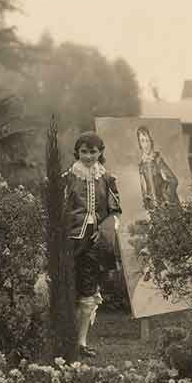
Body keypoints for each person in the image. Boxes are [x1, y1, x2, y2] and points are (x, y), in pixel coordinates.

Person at [64, 131, 122, 358]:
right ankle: (62, 338)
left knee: (88, 290)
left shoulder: (107, 179)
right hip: (69, 241)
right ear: (77, 152)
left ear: (100, 152)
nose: (88, 156)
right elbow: (55, 209)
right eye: (84, 151)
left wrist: (104, 231)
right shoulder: (67, 178)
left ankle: (81, 342)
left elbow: (115, 211)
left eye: (93, 151)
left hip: (94, 241)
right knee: (66, 288)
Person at [137, 125, 180, 211]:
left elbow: (173, 180)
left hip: (167, 205)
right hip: (154, 208)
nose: (146, 144)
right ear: (140, 144)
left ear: (151, 142)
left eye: (147, 140)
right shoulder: (141, 166)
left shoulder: (157, 160)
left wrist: (166, 197)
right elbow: (144, 189)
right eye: (142, 141)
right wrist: (148, 203)